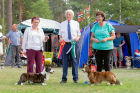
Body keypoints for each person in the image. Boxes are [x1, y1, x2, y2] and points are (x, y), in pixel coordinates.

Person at [59, 9, 81, 83]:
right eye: (67, 14)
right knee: (65, 62)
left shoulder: (76, 23)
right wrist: (60, 38)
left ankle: (75, 78)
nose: (68, 15)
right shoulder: (62, 24)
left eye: (69, 14)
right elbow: (60, 35)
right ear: (65, 15)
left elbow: (79, 34)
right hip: (65, 45)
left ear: (72, 15)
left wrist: (77, 38)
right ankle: (64, 79)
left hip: (74, 44)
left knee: (74, 61)